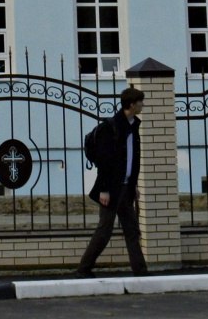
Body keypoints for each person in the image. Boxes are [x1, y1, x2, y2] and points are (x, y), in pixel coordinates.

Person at [74, 85, 148, 277]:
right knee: (104, 231)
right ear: (131, 104)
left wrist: (133, 185)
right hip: (112, 189)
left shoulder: (133, 126)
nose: (143, 105)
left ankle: (140, 271)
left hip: (126, 188)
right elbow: (105, 161)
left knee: (132, 229)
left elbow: (131, 159)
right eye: (140, 102)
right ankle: (84, 269)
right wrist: (104, 190)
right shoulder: (112, 128)